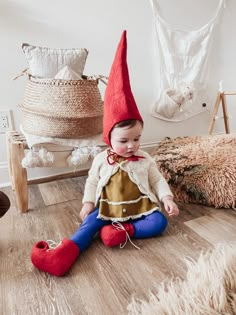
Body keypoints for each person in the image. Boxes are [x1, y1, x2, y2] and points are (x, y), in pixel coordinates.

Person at [31, 30, 179, 277]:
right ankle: (63, 255)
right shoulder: (101, 159)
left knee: (160, 222)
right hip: (108, 208)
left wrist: (167, 198)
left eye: (137, 139)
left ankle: (125, 231)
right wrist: (88, 202)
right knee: (88, 224)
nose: (132, 145)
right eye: (123, 140)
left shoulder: (144, 159)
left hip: (139, 208)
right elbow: (91, 181)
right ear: (108, 138)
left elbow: (156, 179)